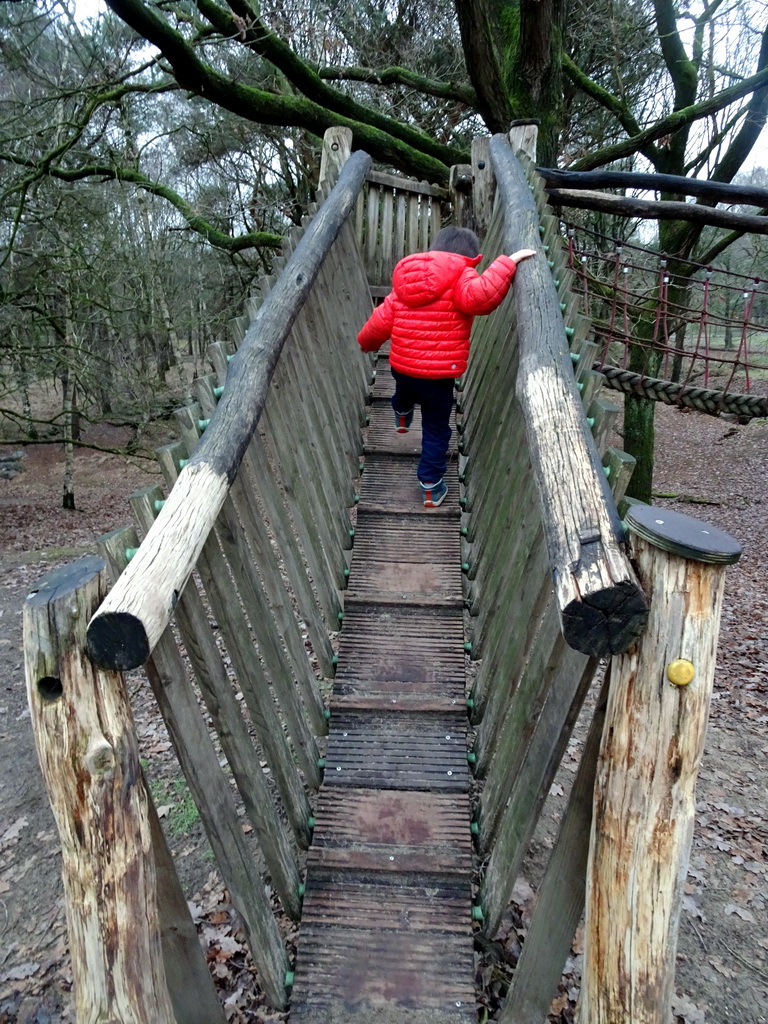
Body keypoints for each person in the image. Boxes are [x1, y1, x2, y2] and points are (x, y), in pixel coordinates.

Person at [357, 226, 536, 506]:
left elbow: (380, 320)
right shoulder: (463, 276)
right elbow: (482, 296)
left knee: (403, 390)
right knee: (436, 429)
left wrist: (365, 343)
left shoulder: (407, 280)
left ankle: (401, 412)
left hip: (402, 368)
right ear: (472, 257)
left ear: (434, 248)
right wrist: (507, 262)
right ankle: (430, 486)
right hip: (439, 378)